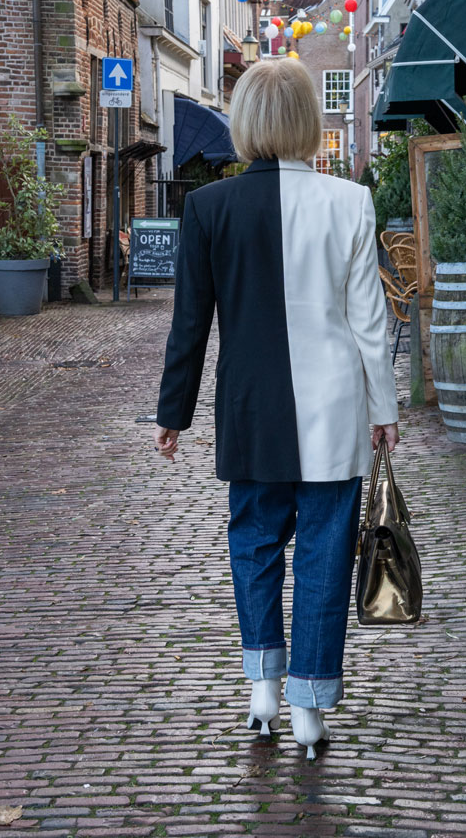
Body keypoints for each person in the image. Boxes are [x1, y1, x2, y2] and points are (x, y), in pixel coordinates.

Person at [154, 59, 399, 759]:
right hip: (334, 409)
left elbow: (189, 325)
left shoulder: (206, 209)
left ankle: (262, 683)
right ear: (305, 121)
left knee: (254, 547)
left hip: (250, 409)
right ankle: (308, 707)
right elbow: (369, 323)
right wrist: (383, 407)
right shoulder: (348, 201)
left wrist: (174, 413)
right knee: (323, 556)